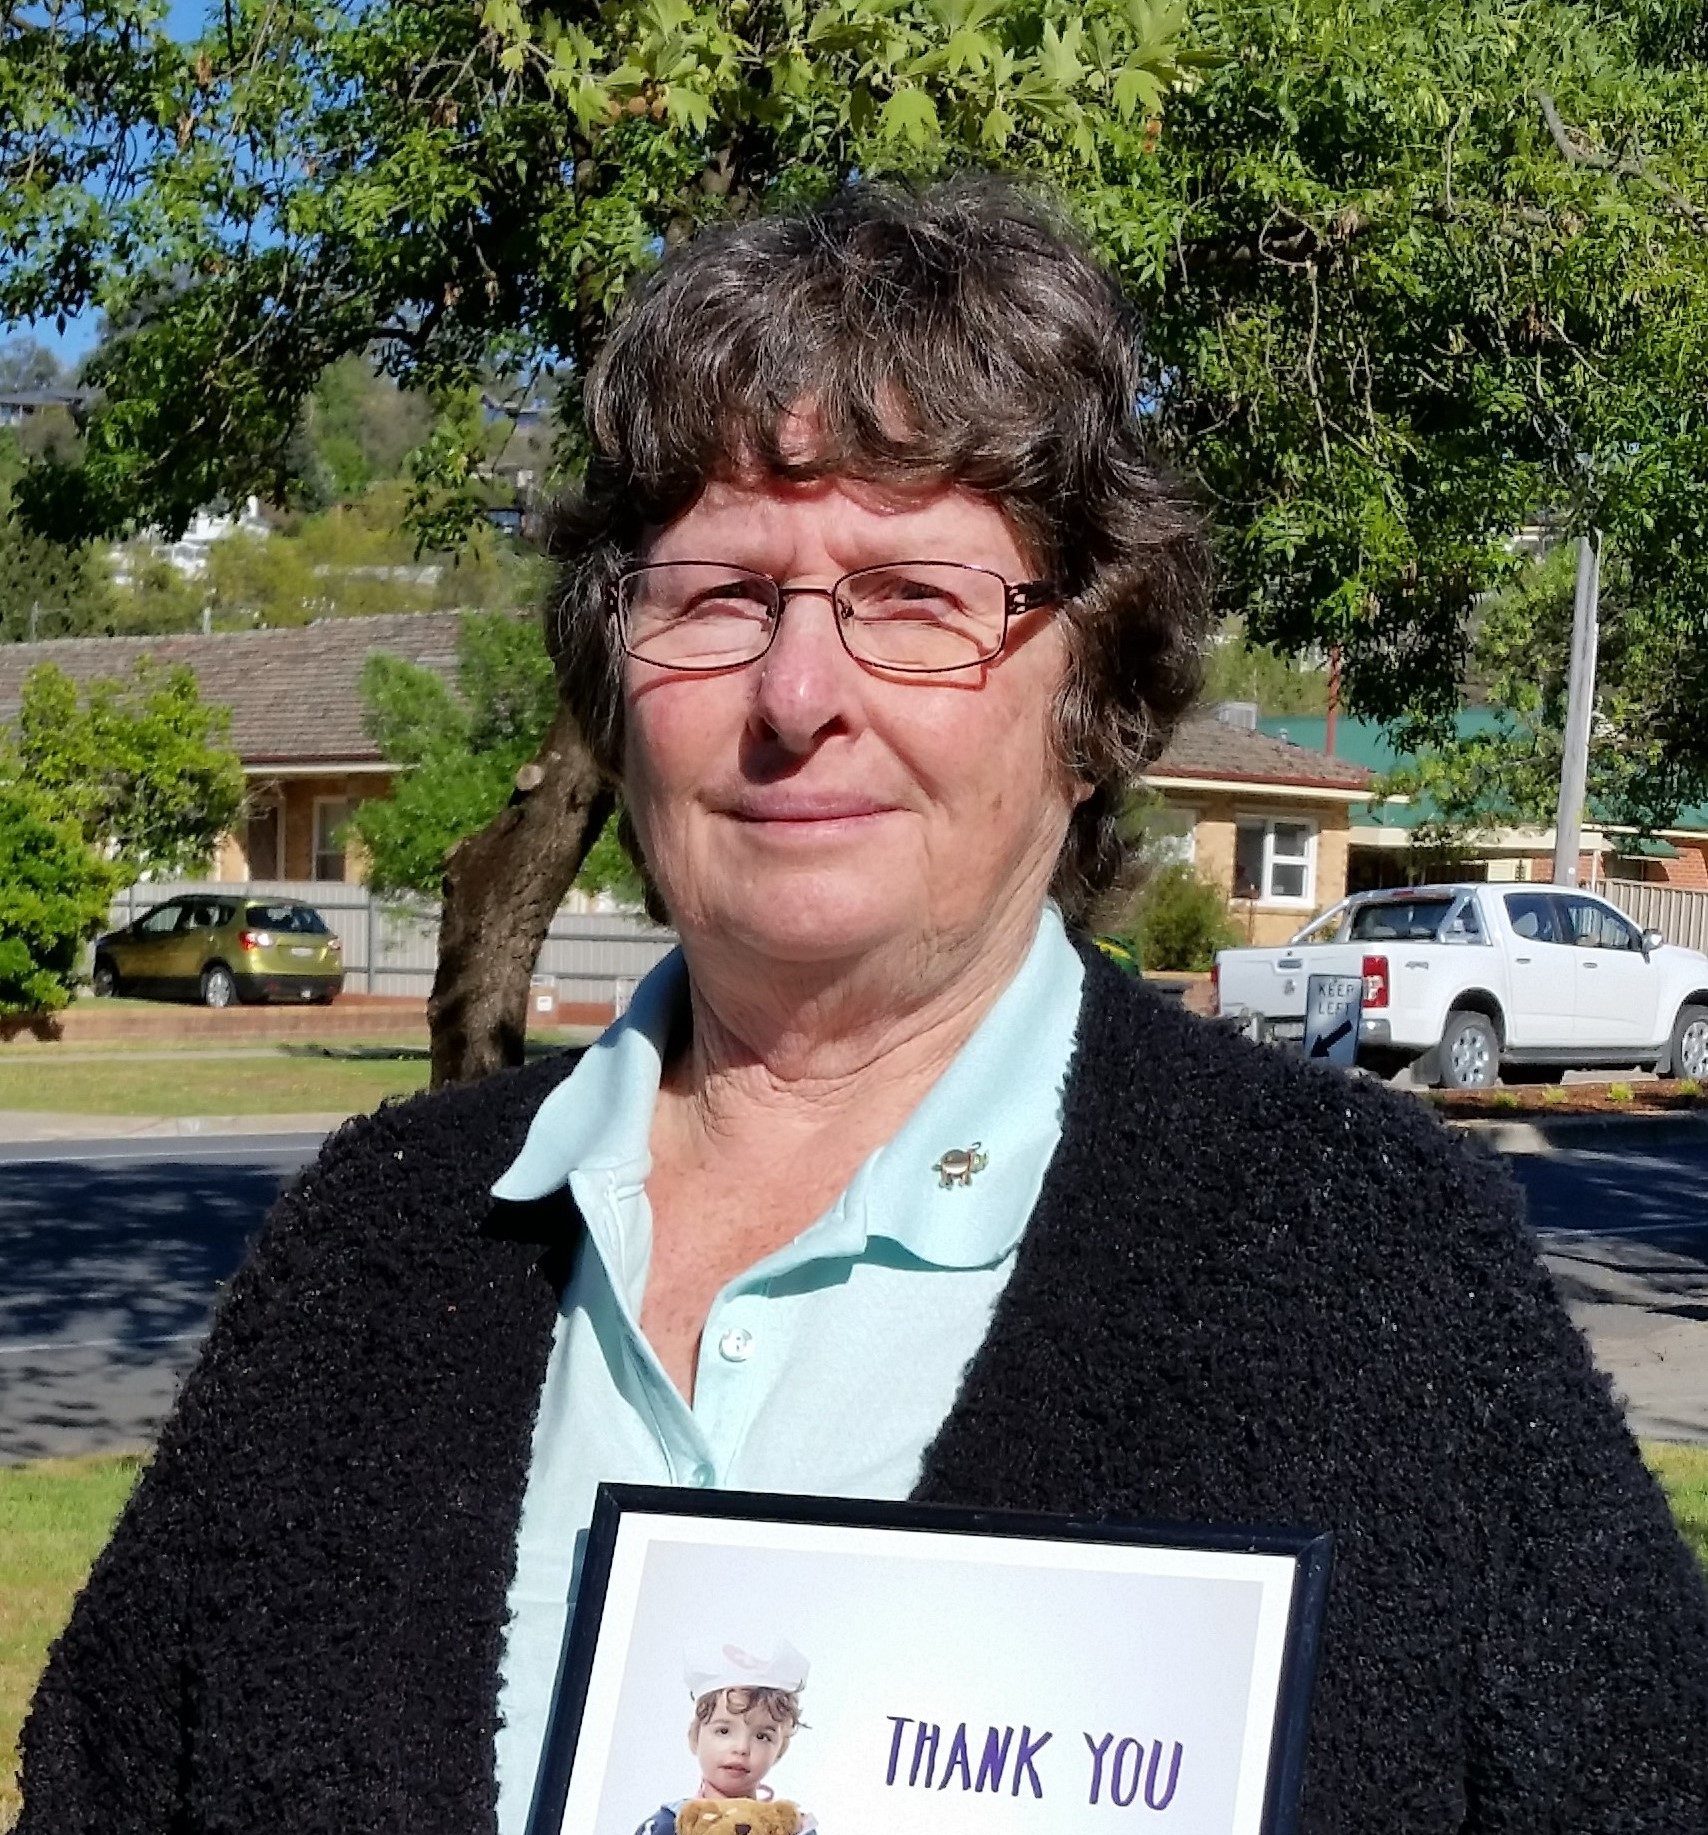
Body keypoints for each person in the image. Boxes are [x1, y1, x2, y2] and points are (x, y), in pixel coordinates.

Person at [19, 178, 1708, 1835]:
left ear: (1090, 693)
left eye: (913, 599)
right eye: (722, 596)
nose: (798, 692)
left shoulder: (1369, 1267)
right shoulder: (378, 1244)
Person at [633, 1642, 814, 1835]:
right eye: (723, 1731)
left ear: (780, 1749)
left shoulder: (791, 1828)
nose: (741, 1748)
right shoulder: (668, 1825)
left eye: (762, 1736)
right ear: (695, 1737)